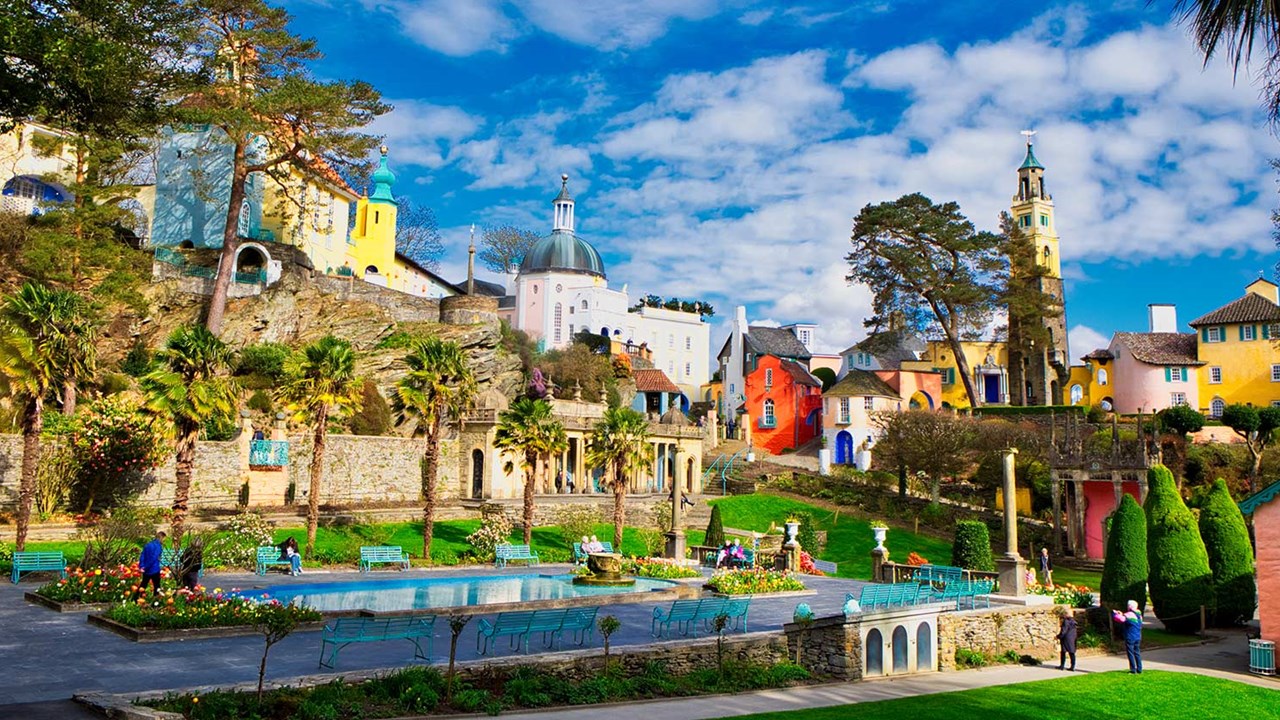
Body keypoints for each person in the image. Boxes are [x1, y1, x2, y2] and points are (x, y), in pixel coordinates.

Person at [1113, 599, 1143, 673]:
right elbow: (1127, 617)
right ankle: (1139, 669)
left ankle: (1133, 669)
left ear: (1129, 606)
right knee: (1137, 652)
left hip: (1130, 636)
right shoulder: (1139, 615)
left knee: (1130, 653)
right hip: (1138, 636)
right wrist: (1122, 614)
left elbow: (1120, 619)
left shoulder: (1128, 615)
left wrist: (1115, 614)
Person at [138, 531, 166, 596]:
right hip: (154, 569)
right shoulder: (158, 546)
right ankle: (155, 602)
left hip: (146, 569)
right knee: (157, 587)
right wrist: (146, 566)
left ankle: (136, 598)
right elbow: (154, 558)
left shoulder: (148, 545)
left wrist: (142, 566)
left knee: (143, 585)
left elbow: (142, 555)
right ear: (161, 538)